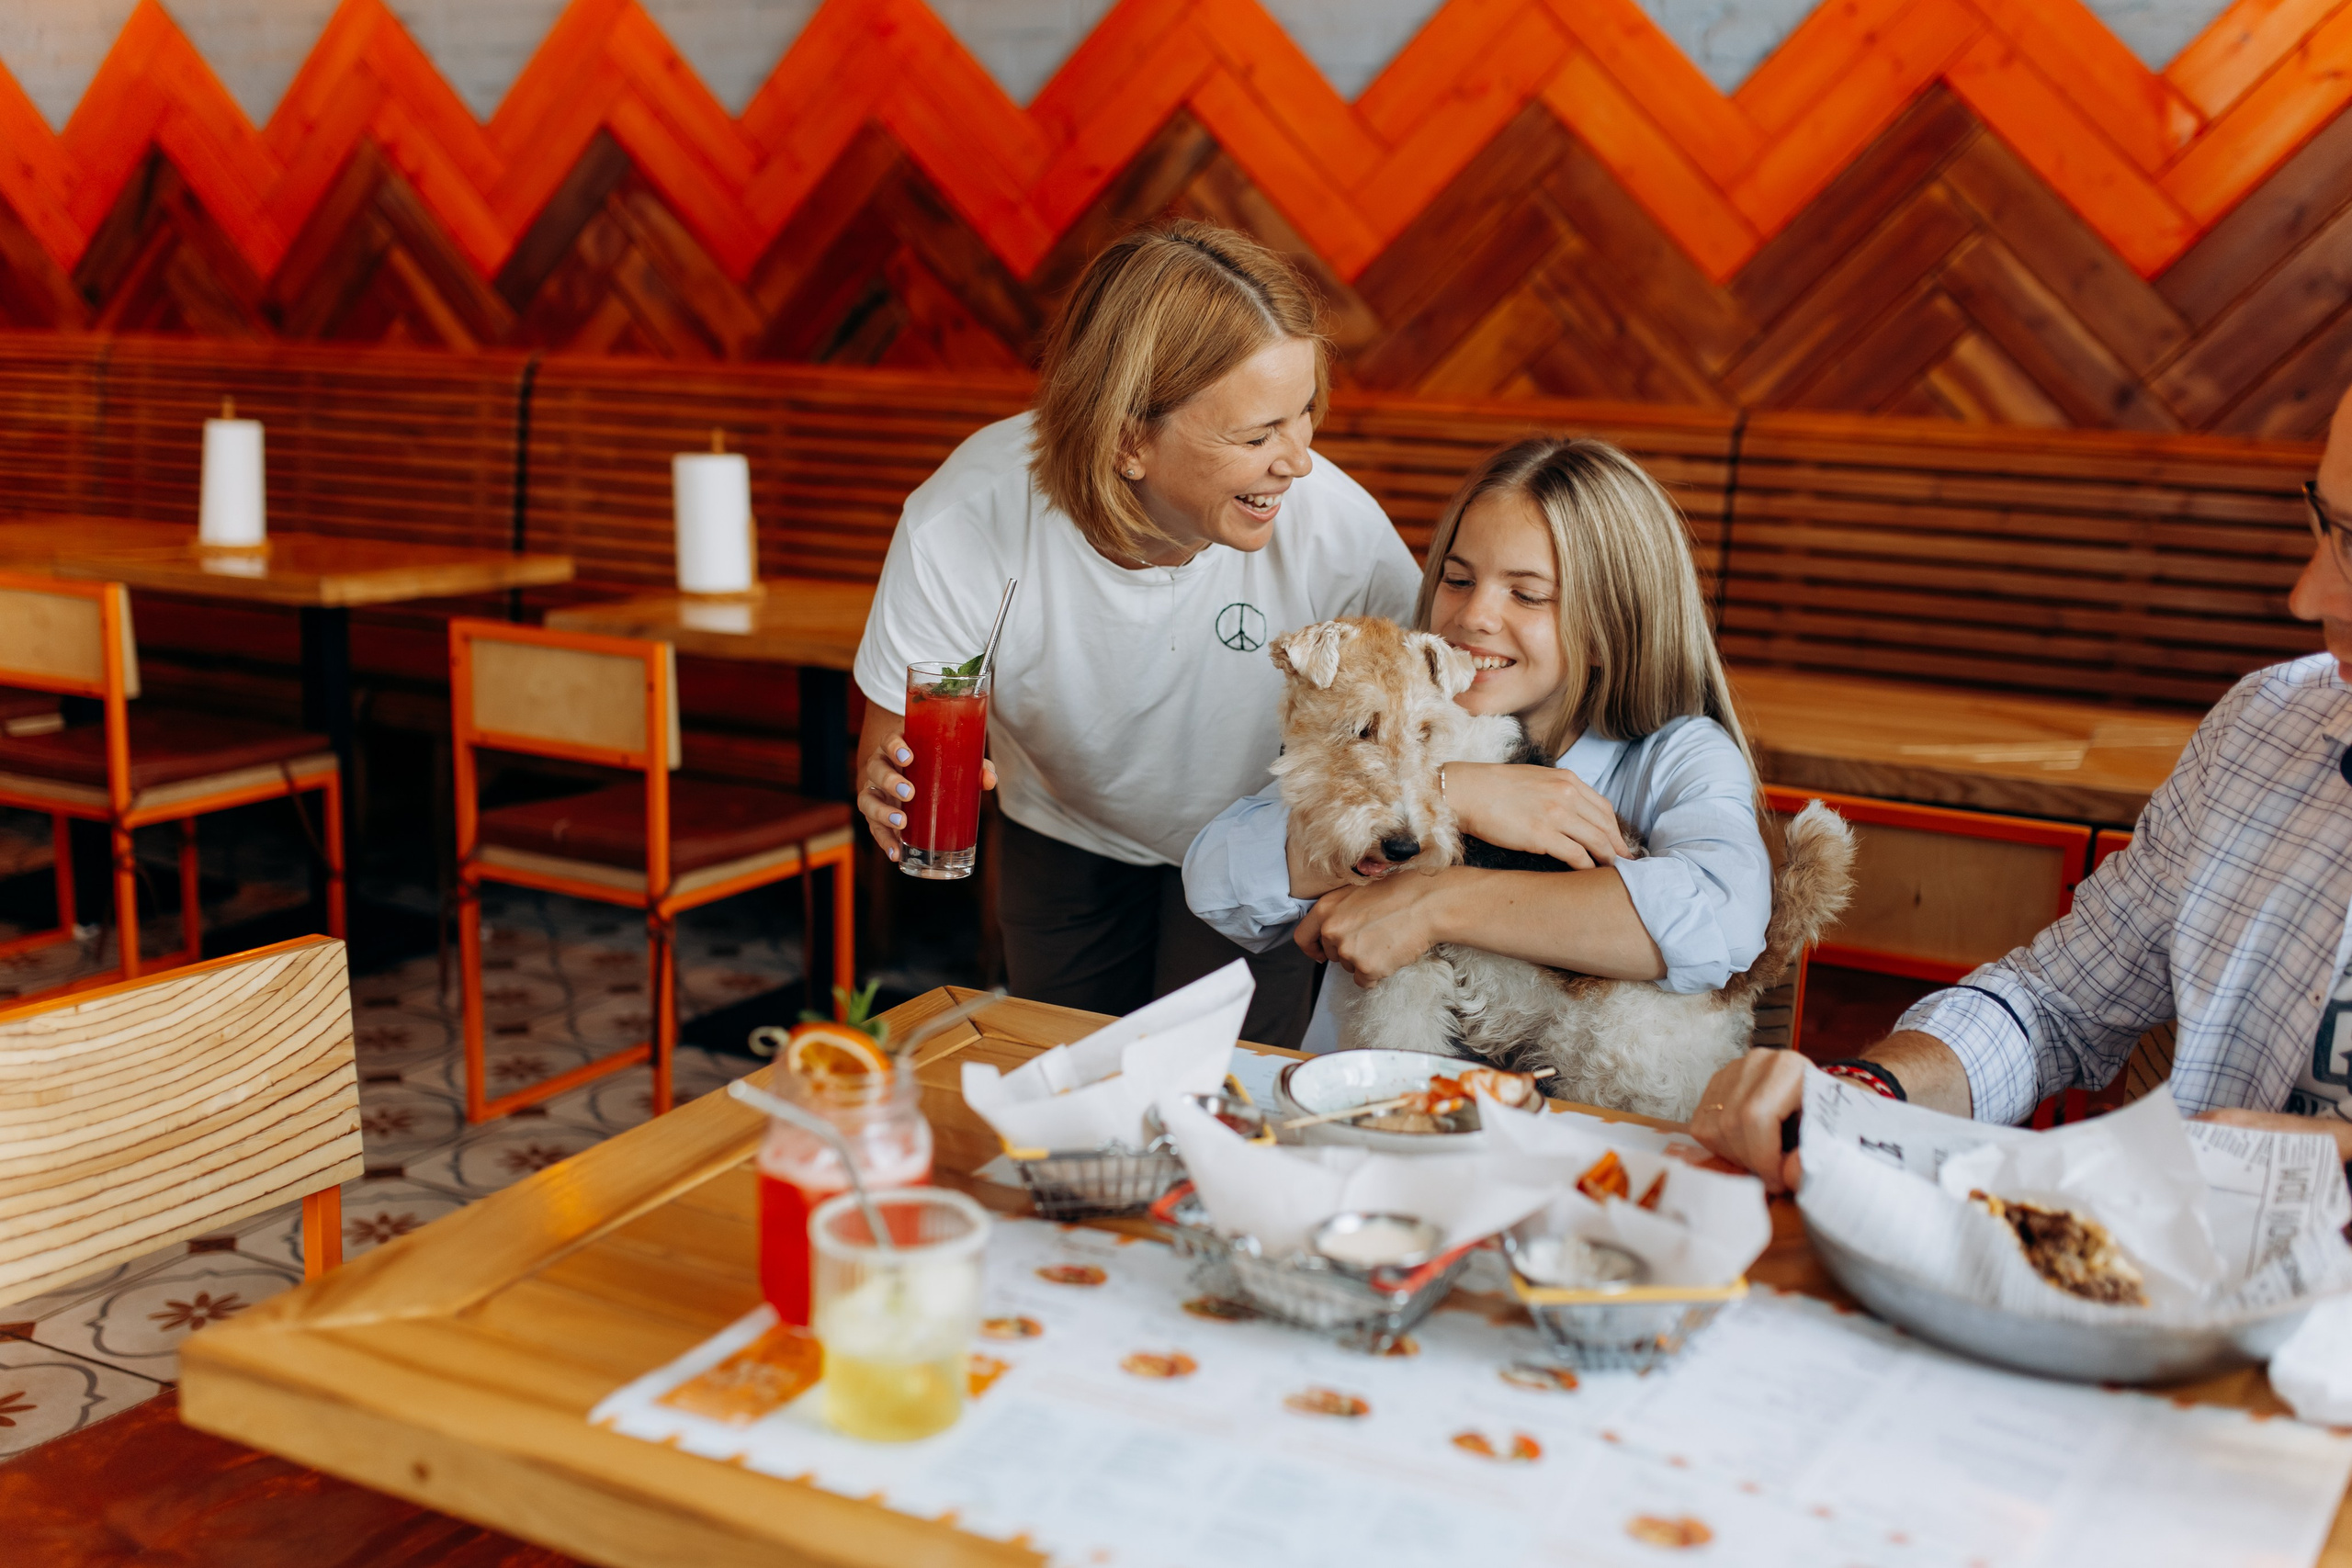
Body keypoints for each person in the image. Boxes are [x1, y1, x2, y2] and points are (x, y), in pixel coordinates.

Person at [1691, 379, 2352, 1192]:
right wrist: (1868, 1098)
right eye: (2325, 523)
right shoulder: (2265, 725)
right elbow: (2052, 1004)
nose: (2308, 597)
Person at [852, 221, 1419, 1051]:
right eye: (1258, 436)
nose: (1298, 460)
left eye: (1304, 416)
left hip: (1259, 834)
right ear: (1127, 441)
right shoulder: (967, 519)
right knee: (1061, 1070)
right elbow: (892, 743)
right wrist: (889, 789)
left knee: (1211, 1096)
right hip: (1066, 823)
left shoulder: (1336, 532)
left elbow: (1426, 723)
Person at [1183, 436, 1773, 1054]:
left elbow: (1721, 923)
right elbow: (1219, 881)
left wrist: (1431, 904)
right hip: (1362, 1110)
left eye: (1527, 593)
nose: (1473, 616)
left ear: (1608, 626)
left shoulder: (1677, 756)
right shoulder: (1400, 732)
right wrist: (1453, 792)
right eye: (1458, 579)